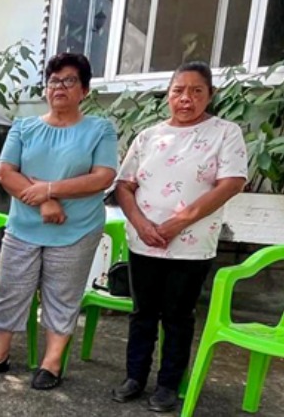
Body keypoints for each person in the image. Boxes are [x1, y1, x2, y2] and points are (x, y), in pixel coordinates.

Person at [0, 52, 118, 390]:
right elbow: (6, 173)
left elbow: (103, 177)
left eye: (69, 81)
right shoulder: (25, 126)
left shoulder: (99, 129)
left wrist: (50, 187)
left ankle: (51, 364)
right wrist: (46, 201)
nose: (59, 87)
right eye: (53, 81)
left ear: (84, 89)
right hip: (24, 227)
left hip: (77, 229)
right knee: (11, 291)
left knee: (62, 296)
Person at [111, 62, 247, 412]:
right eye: (178, 91)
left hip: (190, 245)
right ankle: (134, 377)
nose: (186, 98)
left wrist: (176, 224)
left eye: (196, 91)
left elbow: (232, 182)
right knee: (142, 313)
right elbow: (125, 185)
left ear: (210, 95)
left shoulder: (224, 132)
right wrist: (141, 224)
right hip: (144, 241)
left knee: (177, 316)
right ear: (168, 95)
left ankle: (168, 384)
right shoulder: (149, 136)